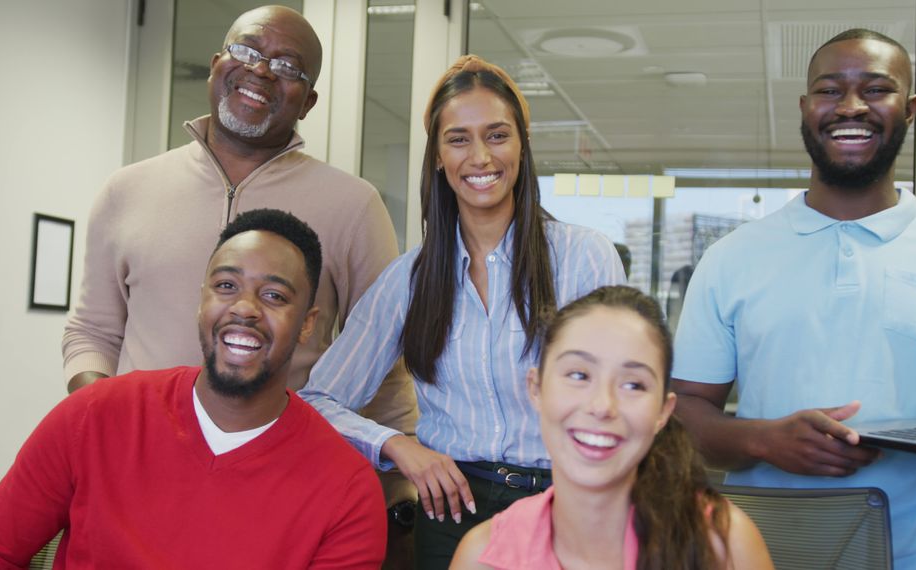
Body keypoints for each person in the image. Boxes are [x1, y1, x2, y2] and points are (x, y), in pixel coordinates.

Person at [59, 4, 416, 556]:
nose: (262, 70)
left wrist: (399, 487)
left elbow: (385, 364)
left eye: (288, 66)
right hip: (135, 474)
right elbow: (93, 332)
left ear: (309, 100)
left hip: (280, 483)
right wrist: (106, 427)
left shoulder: (354, 205)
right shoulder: (126, 190)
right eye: (247, 50)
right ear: (216, 62)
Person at [670, 28, 916, 568]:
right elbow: (684, 413)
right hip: (765, 552)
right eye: (830, 90)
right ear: (806, 108)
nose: (851, 106)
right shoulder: (732, 259)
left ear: (911, 108)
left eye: (876, 89)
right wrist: (765, 441)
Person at [299, 54, 625, 568]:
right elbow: (315, 401)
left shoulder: (583, 256)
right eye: (458, 139)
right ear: (437, 156)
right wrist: (397, 447)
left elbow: (622, 397)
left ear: (522, 144)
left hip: (566, 505)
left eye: (497, 135)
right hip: (451, 512)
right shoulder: (410, 279)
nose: (480, 157)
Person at [0, 209, 386, 569]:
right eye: (226, 286)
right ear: (202, 302)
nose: (244, 309)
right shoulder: (94, 416)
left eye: (274, 296)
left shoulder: (346, 490)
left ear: (308, 324)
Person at [450, 286, 773, 570]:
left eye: (633, 385)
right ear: (536, 388)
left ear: (663, 411)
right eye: (579, 375)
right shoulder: (483, 556)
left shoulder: (723, 541)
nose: (603, 406)